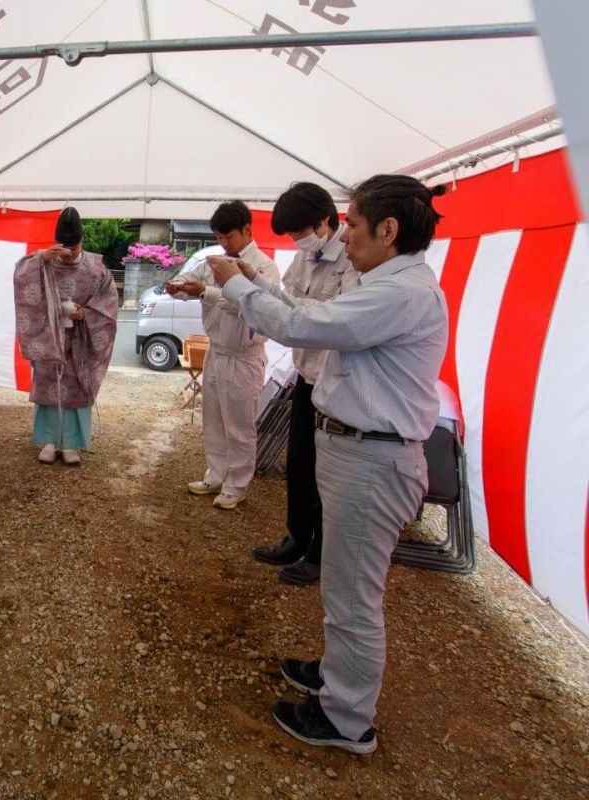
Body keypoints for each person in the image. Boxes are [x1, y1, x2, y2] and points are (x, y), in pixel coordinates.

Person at [207, 175, 449, 754]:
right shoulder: (382, 283)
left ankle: (346, 719)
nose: (346, 235)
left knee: (353, 598)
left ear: (388, 231)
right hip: (357, 449)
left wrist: (240, 288)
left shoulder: (400, 293)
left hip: (372, 457)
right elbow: (310, 309)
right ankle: (338, 679)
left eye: (356, 226)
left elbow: (304, 326)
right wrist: (251, 285)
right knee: (345, 588)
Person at [250, 183, 358, 586]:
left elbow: (333, 318)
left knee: (324, 472)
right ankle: (297, 538)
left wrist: (272, 300)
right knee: (298, 463)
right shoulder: (305, 258)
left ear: (325, 220)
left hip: (336, 384)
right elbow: (286, 299)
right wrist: (257, 291)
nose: (297, 240)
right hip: (306, 377)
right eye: (292, 234)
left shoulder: (352, 258)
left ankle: (318, 554)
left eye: (300, 231)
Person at [166, 201, 280, 510]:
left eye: (228, 236)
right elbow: (192, 281)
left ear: (247, 229)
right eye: (218, 237)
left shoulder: (263, 268)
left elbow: (247, 306)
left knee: (240, 425)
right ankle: (215, 474)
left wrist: (205, 291)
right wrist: (177, 287)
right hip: (216, 349)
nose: (223, 243)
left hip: (244, 356)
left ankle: (237, 484)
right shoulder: (214, 260)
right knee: (213, 417)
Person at [13, 207, 118, 465]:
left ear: (82, 241)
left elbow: (109, 303)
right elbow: (20, 274)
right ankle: (48, 441)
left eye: (74, 245)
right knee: (49, 389)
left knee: (77, 390)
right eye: (64, 245)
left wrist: (86, 314)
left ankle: (72, 444)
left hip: (81, 338)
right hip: (51, 338)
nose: (69, 252)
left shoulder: (96, 268)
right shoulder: (45, 261)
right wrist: (41, 259)